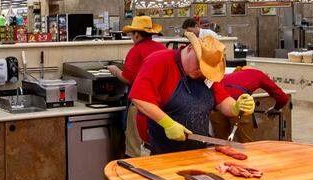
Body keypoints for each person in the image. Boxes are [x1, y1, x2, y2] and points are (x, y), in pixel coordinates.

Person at [129, 32, 255, 154]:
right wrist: (168, 123)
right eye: (199, 64)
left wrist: (237, 107)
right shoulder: (160, 61)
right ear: (190, 48)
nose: (201, 71)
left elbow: (222, 101)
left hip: (198, 152)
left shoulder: (206, 76)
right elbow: (139, 98)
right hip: (159, 151)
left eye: (205, 69)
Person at [108, 15, 167, 157]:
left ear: (137, 34)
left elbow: (128, 78)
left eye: (132, 34)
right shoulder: (162, 48)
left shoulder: (136, 50)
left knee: (135, 148)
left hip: (141, 105)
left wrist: (115, 71)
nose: (131, 37)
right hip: (161, 105)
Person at [210, 66, 290, 143]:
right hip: (240, 105)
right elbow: (283, 97)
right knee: (247, 144)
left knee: (220, 144)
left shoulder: (229, 75)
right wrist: (275, 108)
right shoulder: (259, 74)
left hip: (218, 106)